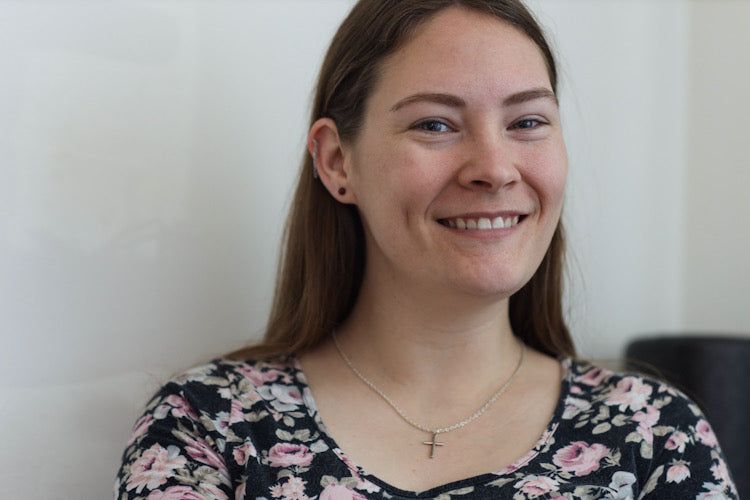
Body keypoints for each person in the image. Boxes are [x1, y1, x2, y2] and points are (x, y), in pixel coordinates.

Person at [114, 1, 738, 498]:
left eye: (527, 122)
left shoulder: (655, 435)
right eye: (434, 124)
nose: (495, 169)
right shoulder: (206, 428)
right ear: (337, 162)